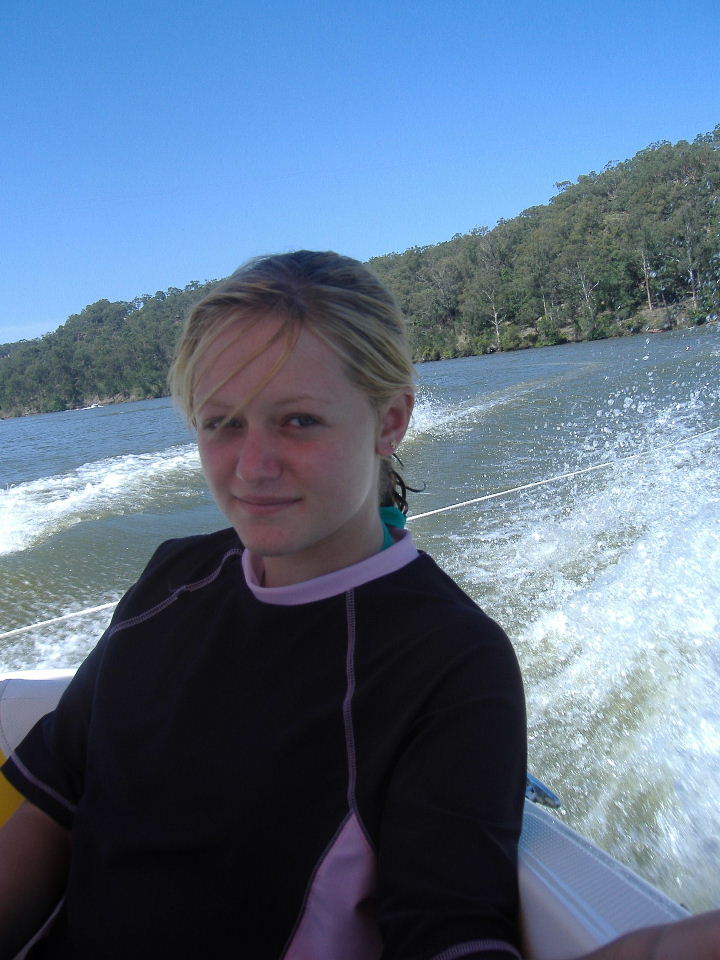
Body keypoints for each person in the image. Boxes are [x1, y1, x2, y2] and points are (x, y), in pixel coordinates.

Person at [0, 251, 717, 960]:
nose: (252, 466)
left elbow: (448, 932)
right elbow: (53, 810)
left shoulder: (447, 661)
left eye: (298, 420)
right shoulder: (172, 579)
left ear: (390, 421)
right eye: (222, 423)